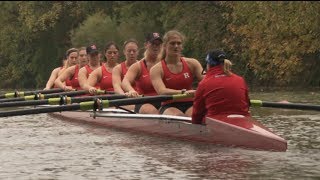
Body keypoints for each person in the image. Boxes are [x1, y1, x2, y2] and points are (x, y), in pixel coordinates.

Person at [149, 30, 204, 117]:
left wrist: (220, 69)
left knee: (196, 116)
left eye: (179, 43)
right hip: (169, 105)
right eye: (172, 43)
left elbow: (207, 81)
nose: (176, 46)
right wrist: (183, 93)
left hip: (190, 103)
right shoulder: (156, 69)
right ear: (164, 46)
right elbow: (162, 91)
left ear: (182, 46)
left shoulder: (193, 63)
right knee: (179, 116)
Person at [191, 50, 250, 124]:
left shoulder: (204, 83)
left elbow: (197, 114)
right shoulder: (240, 80)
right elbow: (247, 104)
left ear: (208, 65)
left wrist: (195, 126)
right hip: (244, 122)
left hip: (215, 124)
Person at [122, 32, 163, 114]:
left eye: (158, 44)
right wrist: (131, 91)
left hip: (164, 101)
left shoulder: (165, 64)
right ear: (146, 45)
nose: (155, 47)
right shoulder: (138, 66)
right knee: (153, 112)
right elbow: (125, 82)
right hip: (144, 101)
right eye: (153, 44)